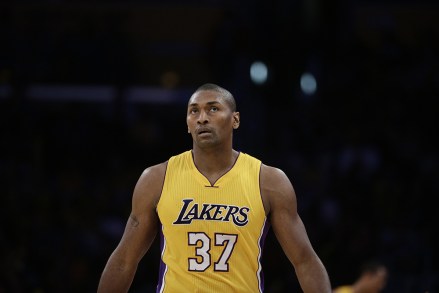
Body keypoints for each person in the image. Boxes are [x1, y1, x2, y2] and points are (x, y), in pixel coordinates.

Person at [97, 83, 332, 292]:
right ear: (188, 124)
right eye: (194, 111)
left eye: (213, 109)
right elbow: (124, 260)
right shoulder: (156, 178)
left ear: (236, 119)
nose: (202, 118)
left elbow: (305, 260)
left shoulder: (268, 181)